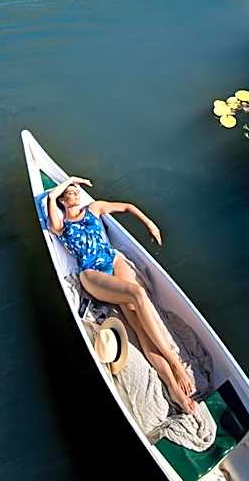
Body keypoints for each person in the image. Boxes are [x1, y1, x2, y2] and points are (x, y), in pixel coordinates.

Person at [46, 176, 197, 414]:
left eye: (76, 190)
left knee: (138, 323)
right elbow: (51, 196)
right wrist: (71, 180)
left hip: (113, 260)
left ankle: (172, 387)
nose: (74, 193)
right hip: (92, 273)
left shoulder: (93, 209)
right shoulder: (61, 225)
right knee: (137, 293)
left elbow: (127, 207)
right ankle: (175, 365)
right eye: (70, 192)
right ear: (64, 201)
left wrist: (150, 224)